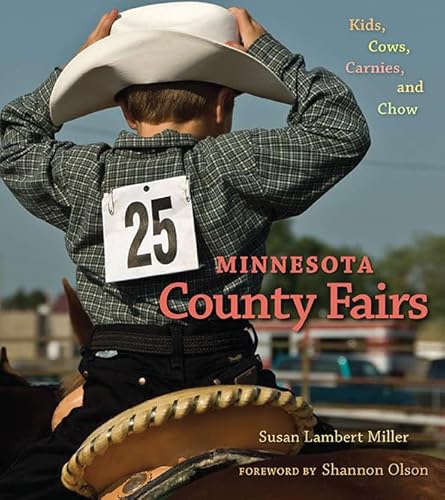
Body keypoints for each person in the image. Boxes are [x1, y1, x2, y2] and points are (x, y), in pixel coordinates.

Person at [0, 3, 370, 498]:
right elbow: (343, 129)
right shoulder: (239, 162)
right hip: (229, 377)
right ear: (223, 106)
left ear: (128, 111)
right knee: (355, 474)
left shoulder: (84, 174)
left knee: (23, 488)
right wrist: (274, 58)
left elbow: (11, 139)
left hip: (119, 384)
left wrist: (73, 70)